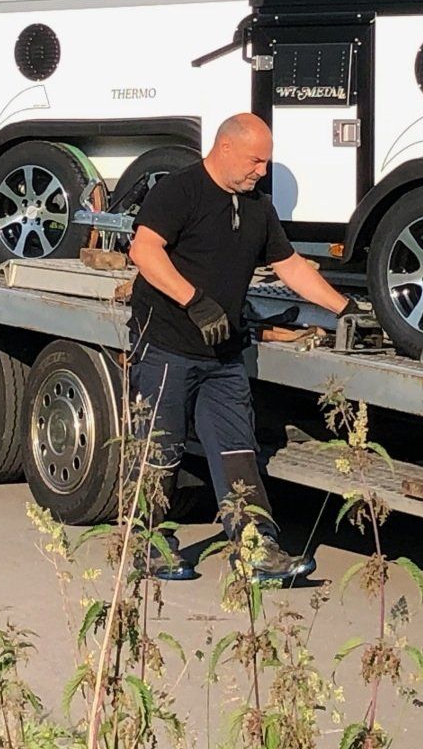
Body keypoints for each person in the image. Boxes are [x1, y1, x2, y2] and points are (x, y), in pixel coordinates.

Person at [125, 112, 359, 584]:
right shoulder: (180, 190)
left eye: (266, 162)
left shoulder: (256, 207)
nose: (262, 171)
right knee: (159, 450)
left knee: (238, 451)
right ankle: (148, 546)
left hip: (224, 355)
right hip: (166, 346)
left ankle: (256, 551)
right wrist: (194, 301)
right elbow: (144, 250)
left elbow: (289, 265)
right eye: (255, 161)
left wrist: (344, 307)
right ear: (225, 147)